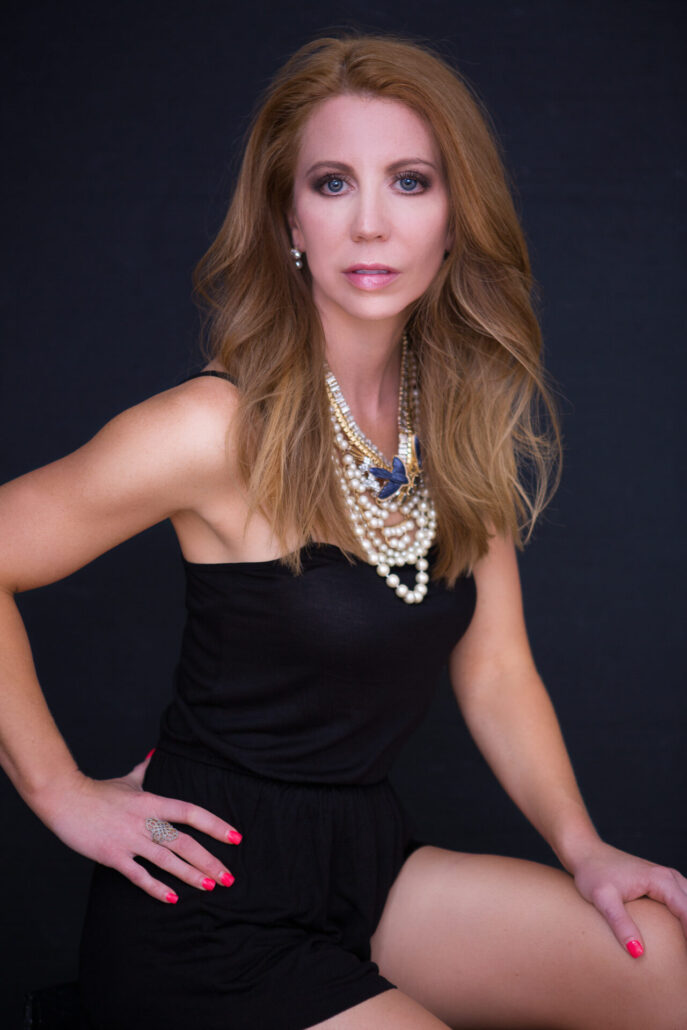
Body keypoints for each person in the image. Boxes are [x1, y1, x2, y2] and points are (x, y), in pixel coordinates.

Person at [1, 30, 685, 1030]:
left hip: (366, 867)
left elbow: (497, 669)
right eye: (332, 184)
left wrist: (583, 848)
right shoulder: (216, 427)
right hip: (207, 912)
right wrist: (58, 790)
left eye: (409, 182)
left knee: (660, 964)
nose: (370, 223)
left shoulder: (451, 424)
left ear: (454, 216)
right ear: (290, 219)